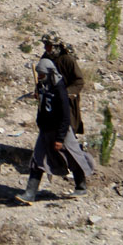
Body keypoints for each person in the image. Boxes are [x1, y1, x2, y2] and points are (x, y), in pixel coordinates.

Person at [16, 57, 94, 204]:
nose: (39, 78)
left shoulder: (60, 89)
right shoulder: (42, 86)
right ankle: (30, 193)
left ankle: (81, 186)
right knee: (36, 160)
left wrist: (59, 138)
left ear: (50, 73)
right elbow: (43, 107)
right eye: (38, 75)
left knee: (73, 156)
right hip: (46, 130)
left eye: (42, 75)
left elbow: (65, 117)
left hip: (61, 130)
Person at [40, 32, 85, 137]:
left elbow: (79, 81)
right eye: (45, 45)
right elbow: (42, 77)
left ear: (55, 46)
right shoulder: (46, 58)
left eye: (48, 45)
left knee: (67, 129)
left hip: (67, 101)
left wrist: (65, 93)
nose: (46, 48)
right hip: (50, 100)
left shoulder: (67, 60)